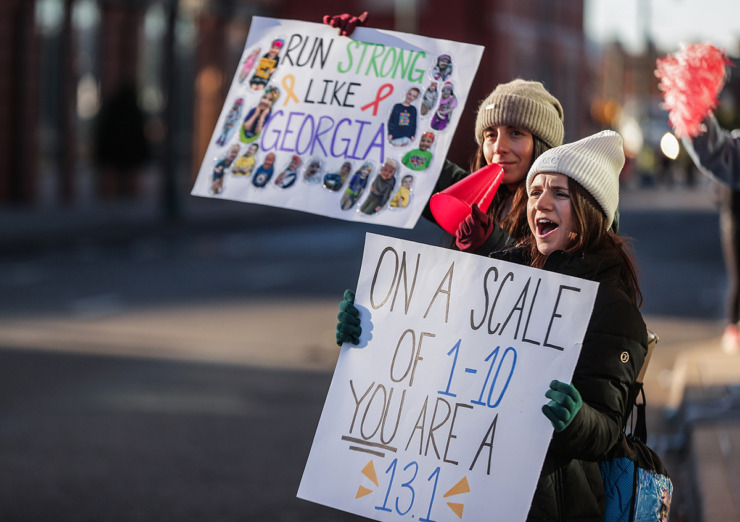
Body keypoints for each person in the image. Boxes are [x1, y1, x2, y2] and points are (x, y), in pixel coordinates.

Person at [336, 130, 648, 520]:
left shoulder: (613, 311)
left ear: (590, 210)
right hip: (464, 490)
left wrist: (576, 417)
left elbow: (606, 430)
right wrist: (366, 333)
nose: (541, 203)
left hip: (547, 503)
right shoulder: (501, 273)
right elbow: (429, 354)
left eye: (560, 194)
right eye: (535, 192)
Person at [423, 79, 565, 255]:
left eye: (515, 133)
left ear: (542, 144)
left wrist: (490, 241)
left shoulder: (567, 206)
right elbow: (422, 170)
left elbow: (552, 272)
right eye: (491, 135)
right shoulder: (472, 195)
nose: (499, 147)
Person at [682, 115, 740, 353]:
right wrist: (691, 102)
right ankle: (732, 326)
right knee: (737, 277)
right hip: (734, 221)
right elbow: (715, 151)